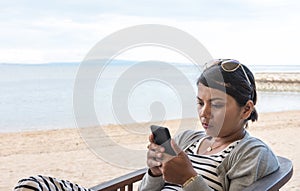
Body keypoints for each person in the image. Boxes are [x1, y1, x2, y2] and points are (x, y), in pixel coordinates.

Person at [138, 59, 279, 191]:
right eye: (200, 103)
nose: (203, 113)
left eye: (216, 105)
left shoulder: (252, 153)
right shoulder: (186, 139)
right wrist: (155, 173)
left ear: (246, 110)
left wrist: (188, 179)